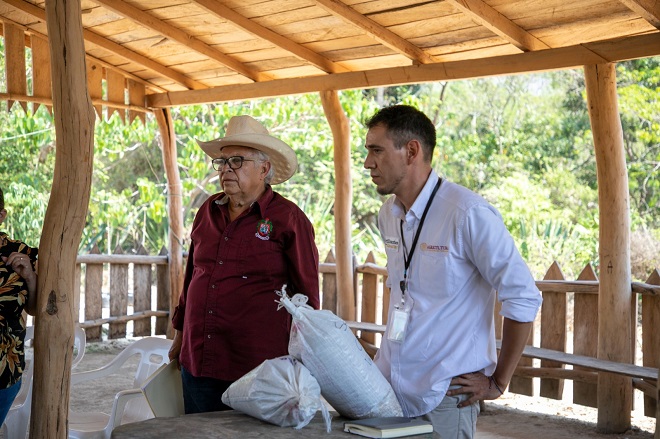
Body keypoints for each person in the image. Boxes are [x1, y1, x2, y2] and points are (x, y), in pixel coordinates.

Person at [363, 105, 542, 438]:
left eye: (377, 150)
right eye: (367, 151)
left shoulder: (467, 213)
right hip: (390, 391)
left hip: (444, 398)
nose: (367, 163)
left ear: (412, 151)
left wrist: (498, 382)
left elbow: (523, 295)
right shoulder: (389, 214)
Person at [168, 115, 320, 414]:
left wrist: (305, 357)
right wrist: (179, 335)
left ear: (264, 169)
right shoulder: (207, 212)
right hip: (199, 358)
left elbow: (307, 297)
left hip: (256, 367)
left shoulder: (288, 219)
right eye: (222, 162)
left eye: (236, 161)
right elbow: (192, 279)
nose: (225, 169)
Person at [0, 187, 38, 425]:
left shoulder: (21, 253)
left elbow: (35, 309)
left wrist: (31, 278)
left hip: (5, 371)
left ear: (2, 215)